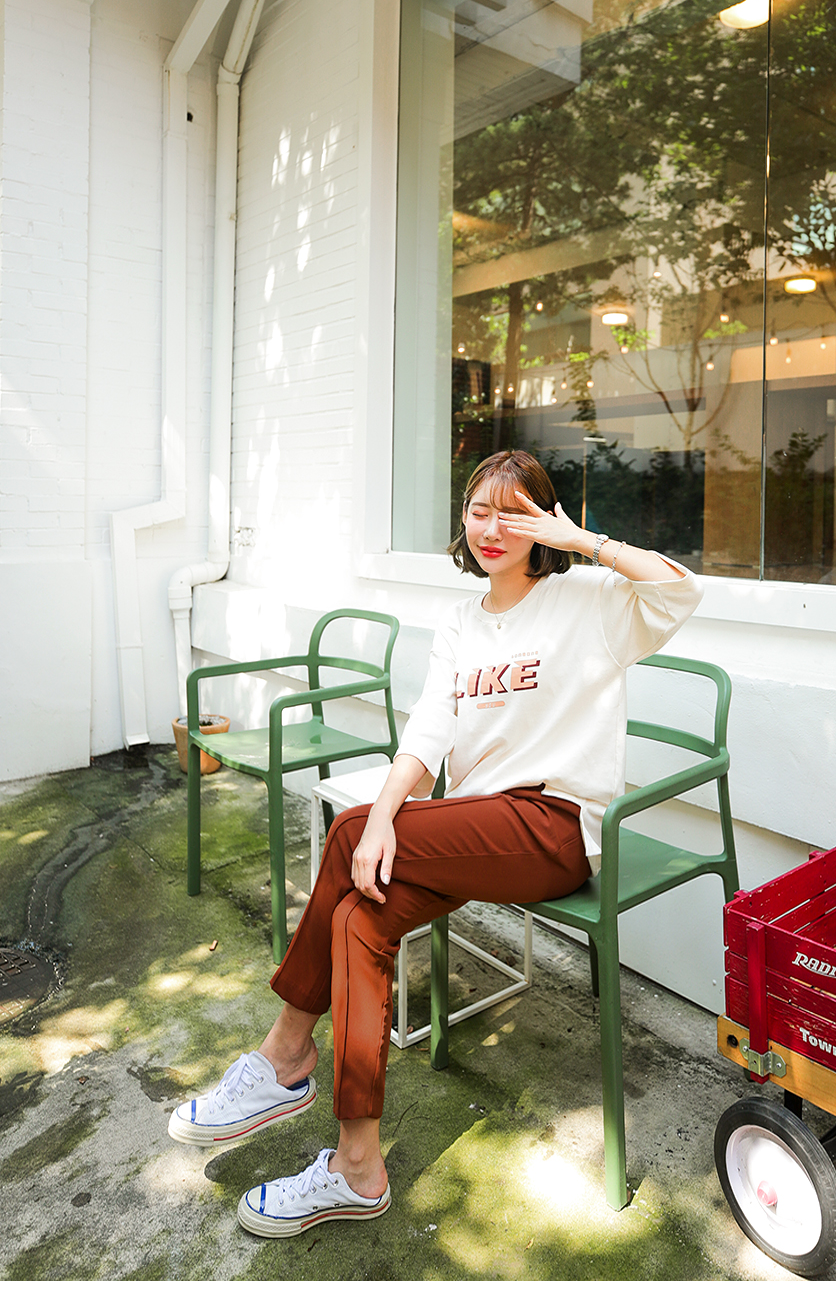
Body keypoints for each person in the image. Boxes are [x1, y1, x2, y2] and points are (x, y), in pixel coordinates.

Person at [168, 449, 703, 1236]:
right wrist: (387, 814)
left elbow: (681, 590)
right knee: (359, 919)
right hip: (472, 830)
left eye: (515, 514)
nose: (493, 529)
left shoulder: (589, 600)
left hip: (553, 830)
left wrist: (583, 541)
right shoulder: (459, 622)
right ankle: (357, 1168)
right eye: (480, 511)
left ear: (543, 522)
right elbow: (429, 730)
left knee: (348, 830)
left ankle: (284, 1056)